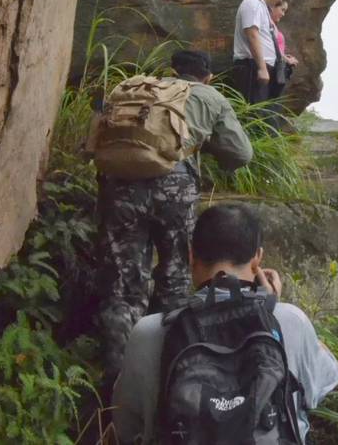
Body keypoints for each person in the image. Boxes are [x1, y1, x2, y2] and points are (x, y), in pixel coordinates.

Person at [112, 203, 338, 444]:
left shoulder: (149, 332)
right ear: (257, 259)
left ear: (191, 257)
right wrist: (272, 306)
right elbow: (325, 381)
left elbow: (125, 426)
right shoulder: (291, 321)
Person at [95, 49, 253, 388]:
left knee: (123, 285)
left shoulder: (139, 89)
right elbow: (241, 153)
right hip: (174, 188)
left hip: (120, 186)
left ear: (171, 70)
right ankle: (168, 376)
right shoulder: (209, 95)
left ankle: (117, 383)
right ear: (208, 76)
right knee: (175, 278)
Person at [232, 0, 287, 104]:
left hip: (260, 66)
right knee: (252, 110)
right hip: (252, 66)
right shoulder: (253, 3)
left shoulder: (262, 6)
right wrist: (262, 68)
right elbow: (252, 34)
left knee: (261, 110)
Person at [269, 0, 299, 100]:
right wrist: (287, 60)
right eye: (282, 10)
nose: (283, 14)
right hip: (273, 67)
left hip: (278, 66)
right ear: (273, 7)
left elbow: (277, 50)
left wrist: (286, 58)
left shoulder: (273, 26)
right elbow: (271, 48)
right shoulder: (268, 24)